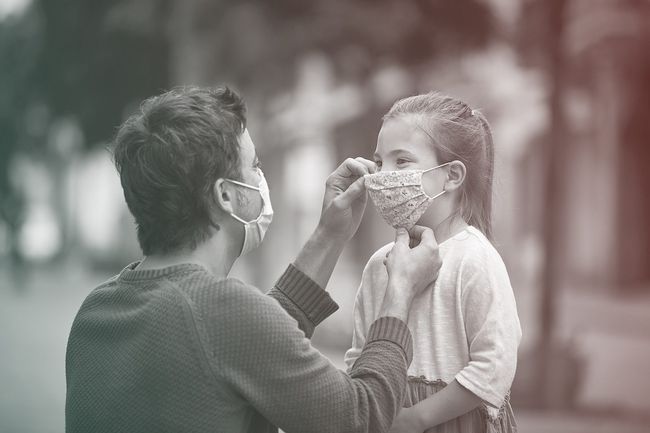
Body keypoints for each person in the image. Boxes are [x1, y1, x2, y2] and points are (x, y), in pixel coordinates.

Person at [65, 86, 443, 433]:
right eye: (254, 165)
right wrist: (400, 294)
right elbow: (361, 417)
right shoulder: (222, 311)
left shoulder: (96, 311)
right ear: (227, 196)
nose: (261, 176)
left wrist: (329, 234)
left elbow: (247, 346)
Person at [345, 92, 522, 433]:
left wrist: (417, 418)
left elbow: (495, 365)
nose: (383, 175)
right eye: (379, 162)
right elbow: (358, 359)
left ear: (452, 175)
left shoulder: (475, 260)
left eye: (402, 161)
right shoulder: (378, 265)